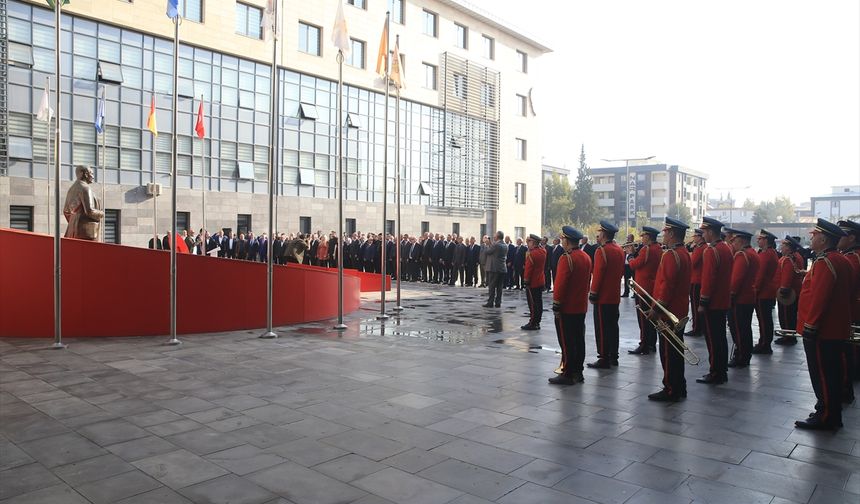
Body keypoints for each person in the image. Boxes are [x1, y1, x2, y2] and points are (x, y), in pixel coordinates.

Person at [793, 219, 852, 431]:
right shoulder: (841, 260)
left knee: (823, 374)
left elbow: (820, 297)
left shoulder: (825, 262)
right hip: (834, 327)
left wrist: (811, 325)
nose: (811, 238)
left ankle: (827, 416)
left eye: (814, 235)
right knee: (831, 373)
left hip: (823, 330)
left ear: (824, 238)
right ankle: (827, 409)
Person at [646, 217, 692, 401]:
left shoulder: (672, 255)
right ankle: (679, 386)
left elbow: (666, 287)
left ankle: (671, 388)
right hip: (680, 309)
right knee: (676, 351)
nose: (663, 235)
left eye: (665, 232)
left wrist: (656, 309)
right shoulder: (684, 253)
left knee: (668, 352)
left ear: (672, 233)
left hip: (668, 312)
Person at [548, 226, 591, 385]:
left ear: (567, 241)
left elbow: (560, 284)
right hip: (580, 306)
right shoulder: (586, 257)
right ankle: (578, 371)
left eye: (563, 239)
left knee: (566, 341)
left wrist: (557, 305)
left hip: (567, 307)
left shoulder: (567, 258)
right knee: (579, 340)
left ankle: (567, 373)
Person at [697, 217, 734, 385]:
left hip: (713, 302)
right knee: (720, 338)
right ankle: (721, 370)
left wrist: (703, 302)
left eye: (704, 232)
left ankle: (716, 372)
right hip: (722, 300)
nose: (702, 235)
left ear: (710, 232)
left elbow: (708, 279)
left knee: (713, 339)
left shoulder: (712, 251)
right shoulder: (726, 248)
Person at [587, 220, 625, 369]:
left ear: (603, 234)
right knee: (613, 327)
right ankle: (613, 356)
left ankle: (603, 357)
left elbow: (598, 274)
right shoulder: (618, 249)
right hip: (614, 295)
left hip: (603, 296)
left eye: (599, 233)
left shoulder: (601, 250)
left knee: (602, 328)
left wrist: (593, 293)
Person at [725, 228, 759, 368]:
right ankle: (744, 354)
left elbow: (736, 279)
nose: (732, 244)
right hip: (748, 297)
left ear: (741, 241)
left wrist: (731, 295)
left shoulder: (742, 255)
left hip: (739, 298)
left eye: (734, 241)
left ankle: (741, 355)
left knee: (738, 329)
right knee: (745, 328)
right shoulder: (752, 253)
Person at [628, 226, 662, 355]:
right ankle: (651, 344)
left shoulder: (647, 249)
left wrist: (630, 255)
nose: (641, 238)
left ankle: (644, 344)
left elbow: (634, 265)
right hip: (652, 287)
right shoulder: (658, 248)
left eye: (643, 236)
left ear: (647, 237)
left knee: (643, 319)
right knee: (651, 319)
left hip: (643, 288)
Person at [837, 220, 860, 395]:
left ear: (851, 238)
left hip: (852, 309)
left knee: (846, 351)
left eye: (842, 234)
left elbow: (845, 288)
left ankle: (845, 387)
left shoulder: (853, 258)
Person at [752, 229, 779, 354]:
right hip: (767, 291)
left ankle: (764, 344)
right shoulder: (770, 253)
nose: (758, 240)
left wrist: (755, 289)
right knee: (765, 319)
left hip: (763, 292)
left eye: (760, 238)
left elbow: (760, 275)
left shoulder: (766, 254)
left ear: (766, 240)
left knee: (763, 319)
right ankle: (764, 342)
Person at [775, 235, 804, 346]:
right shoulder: (795, 256)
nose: (781, 247)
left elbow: (787, 276)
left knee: (786, 316)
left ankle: (788, 337)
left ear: (788, 247)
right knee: (790, 315)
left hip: (788, 293)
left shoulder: (787, 259)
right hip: (794, 291)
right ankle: (788, 335)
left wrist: (784, 289)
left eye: (783, 245)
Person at [64, 167, 102, 238]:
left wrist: (74, 221)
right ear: (86, 174)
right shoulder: (85, 188)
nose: (93, 177)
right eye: (92, 174)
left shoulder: (72, 189)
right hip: (85, 233)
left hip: (72, 230)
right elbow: (90, 211)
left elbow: (66, 211)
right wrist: (101, 214)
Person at [522, 234, 547, 330]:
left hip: (533, 282)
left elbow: (528, 269)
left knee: (532, 304)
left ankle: (533, 322)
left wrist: (526, 280)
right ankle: (537, 321)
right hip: (540, 280)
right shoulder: (543, 251)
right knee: (538, 303)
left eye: (529, 241)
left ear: (533, 242)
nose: (528, 243)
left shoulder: (532, 253)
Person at [686, 229, 706, 337]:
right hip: (699, 280)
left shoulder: (699, 249)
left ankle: (696, 328)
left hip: (696, 280)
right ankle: (700, 327)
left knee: (695, 306)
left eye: (695, 236)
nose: (694, 238)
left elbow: (692, 263)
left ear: (699, 237)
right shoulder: (704, 248)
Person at [483, 231, 508, 308]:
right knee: (499, 287)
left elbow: (487, 252)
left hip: (494, 268)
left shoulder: (496, 245)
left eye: (495, 235)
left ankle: (490, 302)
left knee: (492, 286)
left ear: (497, 237)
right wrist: (491, 244)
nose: (493, 236)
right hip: (502, 268)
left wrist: (486, 245)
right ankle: (498, 302)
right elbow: (494, 251)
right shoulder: (505, 245)